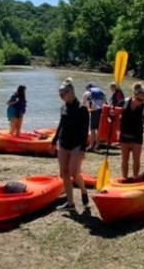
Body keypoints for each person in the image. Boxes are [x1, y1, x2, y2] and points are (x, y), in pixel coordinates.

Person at [50, 78, 90, 211]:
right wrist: (54, 141)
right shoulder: (63, 107)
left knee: (74, 172)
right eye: (60, 94)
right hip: (63, 143)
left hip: (77, 145)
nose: (61, 96)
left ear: (71, 92)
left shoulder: (82, 108)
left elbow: (85, 130)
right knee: (64, 173)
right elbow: (61, 125)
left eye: (63, 94)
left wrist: (83, 148)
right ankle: (70, 203)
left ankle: (84, 190)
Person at [82, 83, 107, 152]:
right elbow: (106, 103)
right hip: (102, 111)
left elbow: (84, 103)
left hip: (94, 111)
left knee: (92, 129)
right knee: (99, 128)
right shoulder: (102, 92)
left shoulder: (87, 93)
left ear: (88, 88)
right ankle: (97, 145)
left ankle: (91, 146)